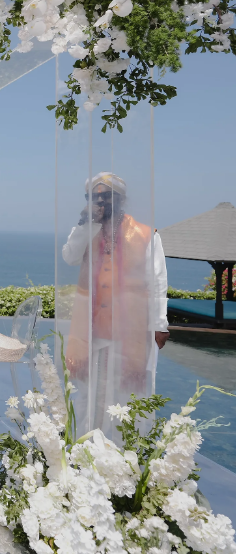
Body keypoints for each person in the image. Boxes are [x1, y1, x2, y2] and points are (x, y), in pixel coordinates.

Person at [62, 172, 169, 438]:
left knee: (124, 392)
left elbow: (157, 282)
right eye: (93, 196)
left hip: (130, 327)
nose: (99, 201)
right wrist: (85, 225)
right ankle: (85, 444)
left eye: (105, 196)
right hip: (92, 326)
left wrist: (159, 323)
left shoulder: (145, 234)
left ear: (120, 199)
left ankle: (123, 452)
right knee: (91, 390)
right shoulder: (88, 230)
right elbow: (70, 257)